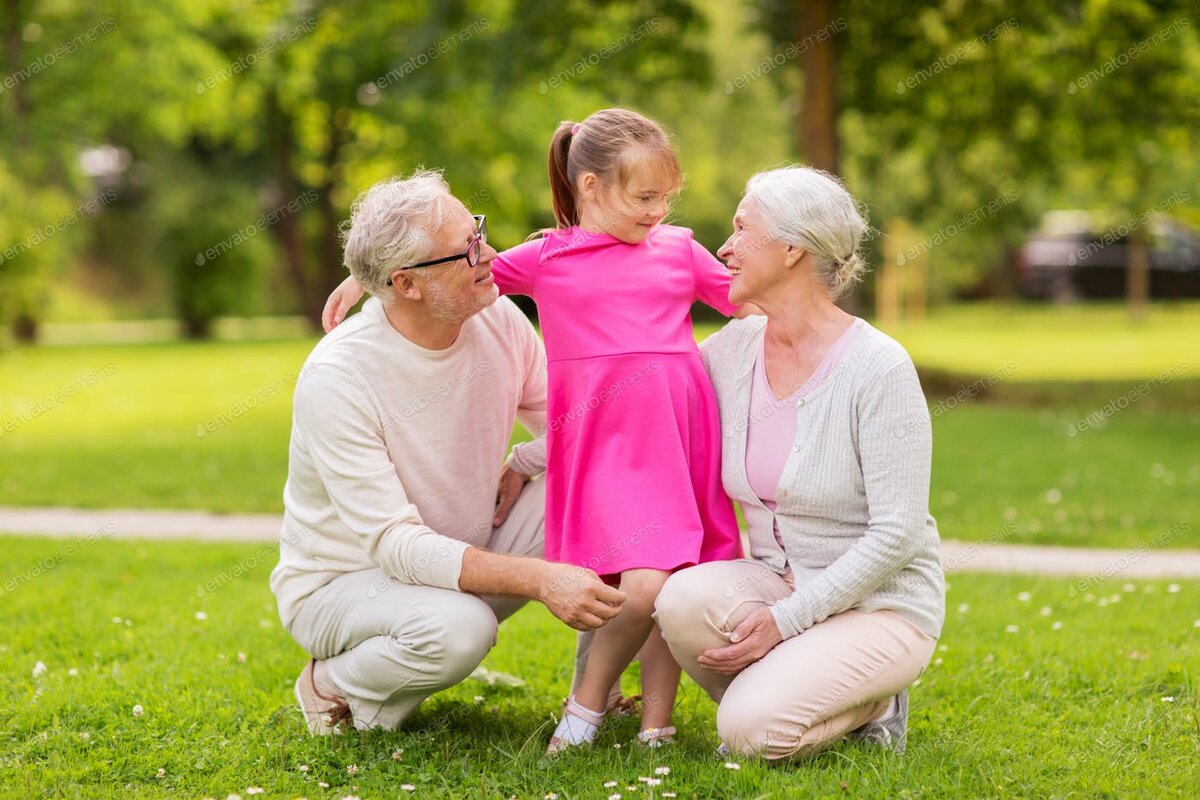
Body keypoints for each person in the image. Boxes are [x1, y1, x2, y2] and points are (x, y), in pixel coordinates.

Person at [321, 108, 745, 751]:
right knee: (644, 583)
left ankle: (656, 724)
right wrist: (368, 272)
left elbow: (746, 296)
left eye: (667, 196)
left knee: (670, 581)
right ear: (593, 188)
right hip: (609, 456)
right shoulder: (549, 259)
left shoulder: (679, 249)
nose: (658, 210)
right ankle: (586, 706)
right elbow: (453, 268)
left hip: (678, 439)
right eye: (644, 196)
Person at [270, 170, 625, 735]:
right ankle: (330, 686)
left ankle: (594, 696)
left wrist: (526, 462)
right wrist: (541, 579)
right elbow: (394, 545)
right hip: (345, 586)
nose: (489, 255)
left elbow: (573, 432)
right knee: (461, 630)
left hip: (465, 549)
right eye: (466, 251)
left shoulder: (498, 317)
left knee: (613, 492)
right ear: (406, 284)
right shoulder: (339, 377)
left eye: (477, 232)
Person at [653, 166, 945, 760]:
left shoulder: (878, 368)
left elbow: (898, 532)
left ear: (791, 248)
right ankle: (801, 691)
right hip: (778, 580)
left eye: (741, 230)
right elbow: (641, 413)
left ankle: (874, 702)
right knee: (679, 601)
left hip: (881, 604)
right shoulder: (731, 352)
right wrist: (529, 456)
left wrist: (787, 621)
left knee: (749, 735)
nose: (724, 249)